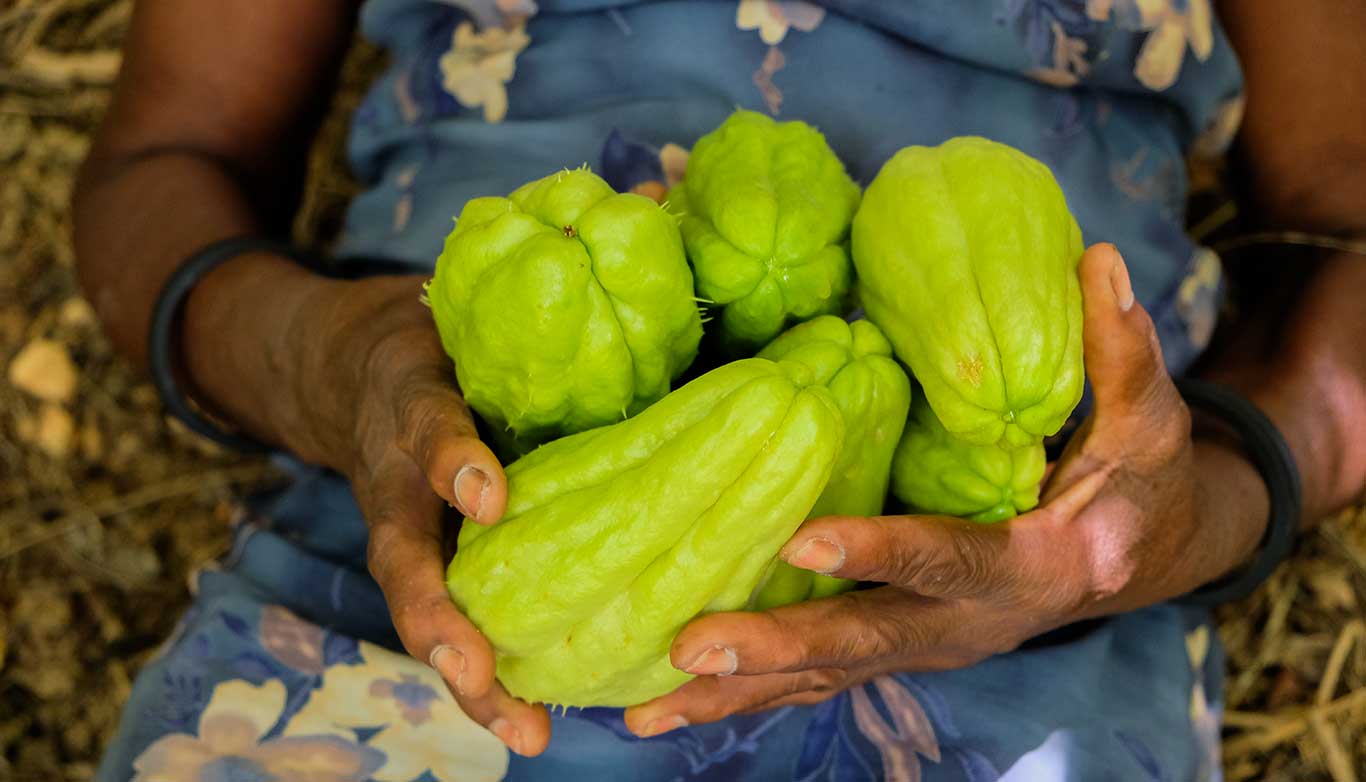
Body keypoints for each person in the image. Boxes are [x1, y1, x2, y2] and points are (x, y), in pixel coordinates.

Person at [76, 1, 1364, 780]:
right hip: (423, 536)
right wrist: (326, 364)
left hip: (1032, 622)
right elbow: (164, 156)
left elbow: (1349, 234)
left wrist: (1182, 512)